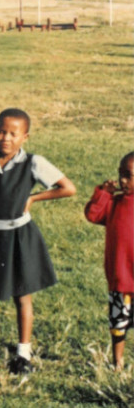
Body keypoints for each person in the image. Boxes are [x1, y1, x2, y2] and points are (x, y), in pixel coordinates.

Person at [0, 109, 76, 374]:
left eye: (13, 133)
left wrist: (33, 198)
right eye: (1, 131)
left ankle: (23, 354)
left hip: (21, 237)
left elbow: (68, 188)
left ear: (25, 136)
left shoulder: (33, 162)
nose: (5, 138)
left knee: (22, 295)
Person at [85, 152, 134, 371]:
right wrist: (103, 194)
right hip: (120, 277)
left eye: (129, 175)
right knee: (118, 324)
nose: (122, 180)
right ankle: (118, 363)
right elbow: (93, 215)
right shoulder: (115, 203)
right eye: (120, 174)